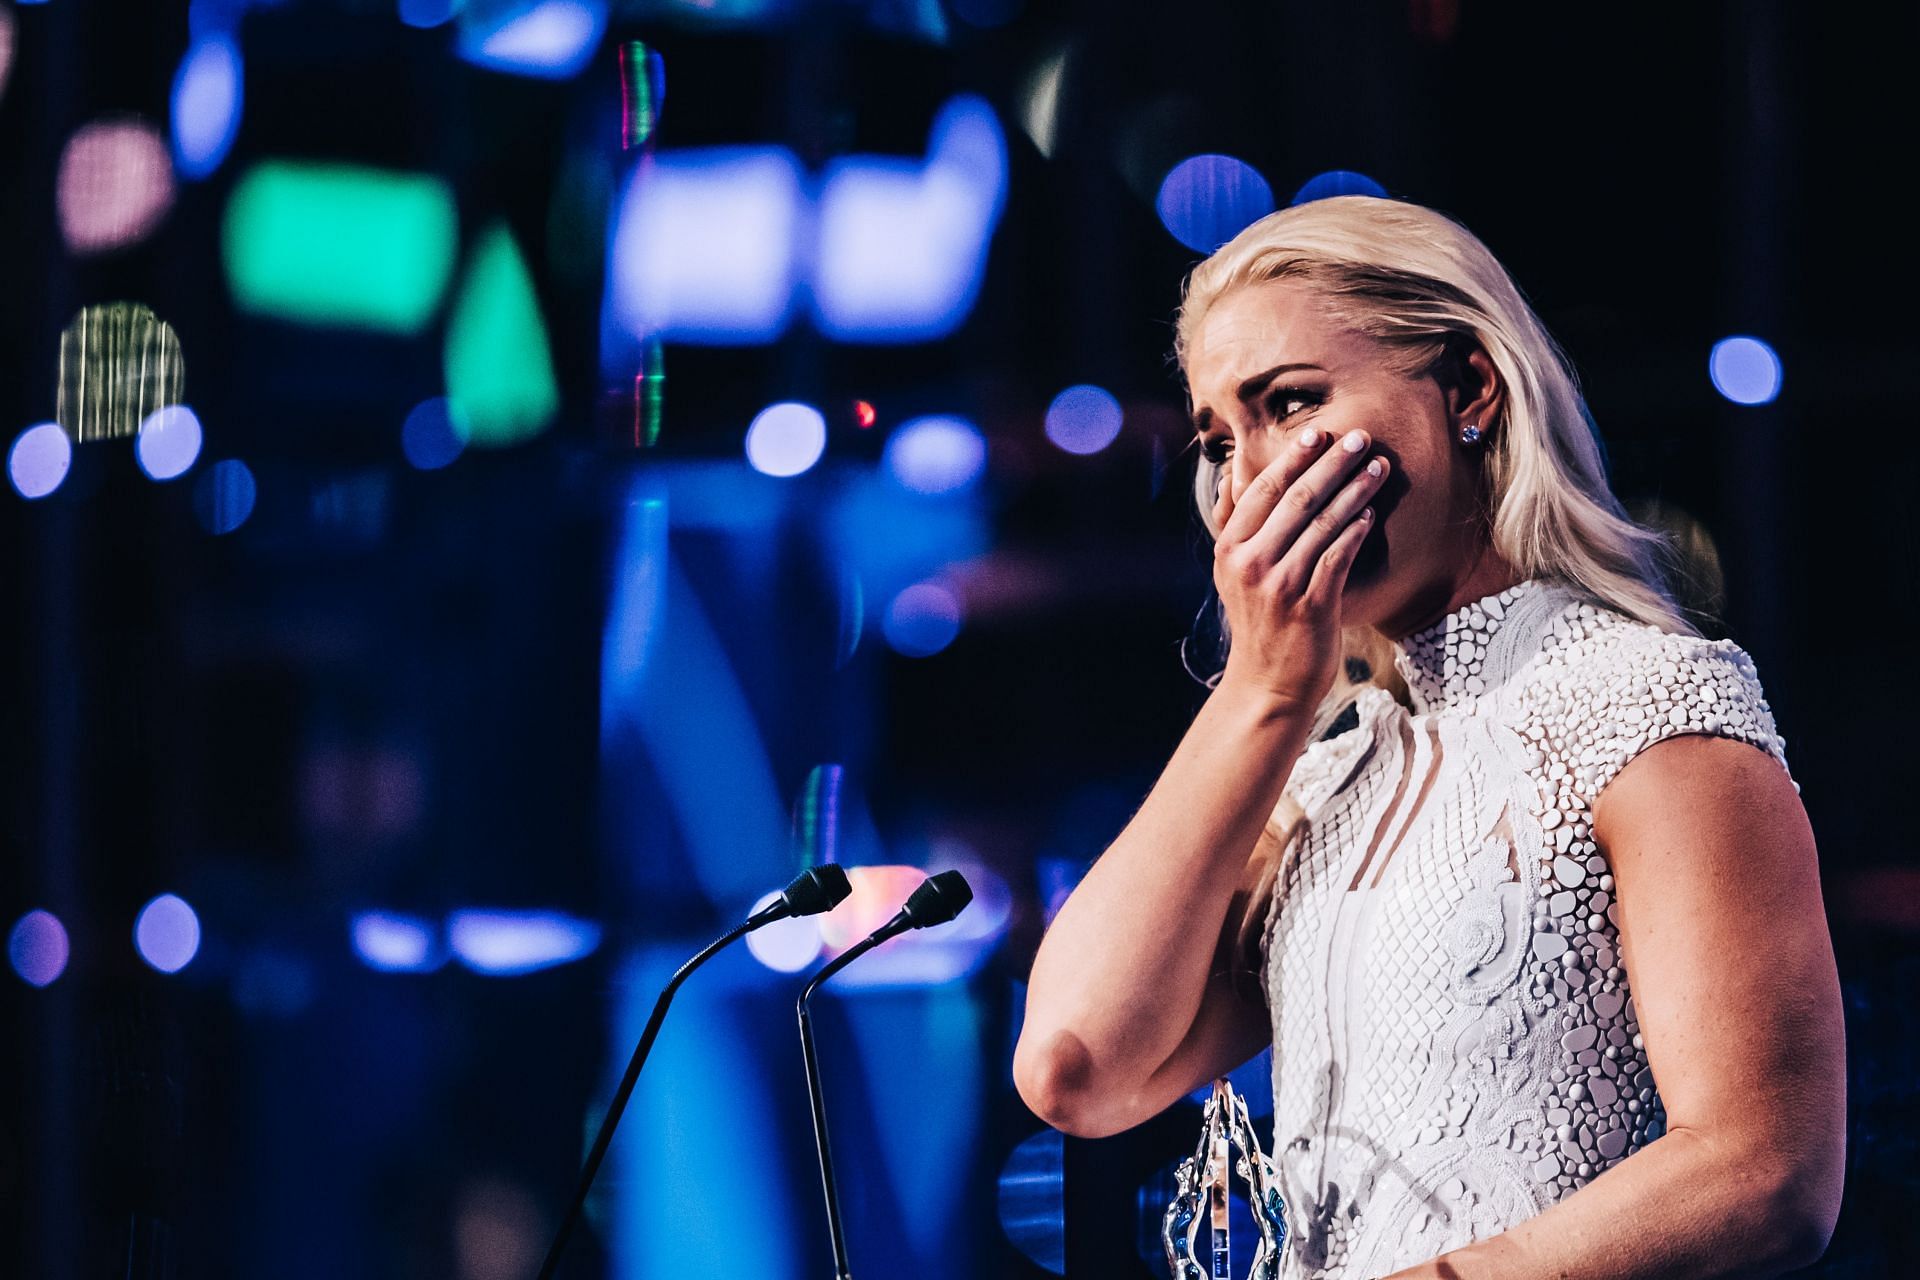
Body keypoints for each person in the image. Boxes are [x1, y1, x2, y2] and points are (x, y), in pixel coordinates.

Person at [1012, 196, 1845, 1278]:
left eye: (1292, 401)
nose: (1251, 476)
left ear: (1472, 391)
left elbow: (1763, 1170)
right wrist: (1262, 692)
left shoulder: (1651, 702)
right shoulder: (1330, 771)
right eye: (1221, 437)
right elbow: (1076, 1067)